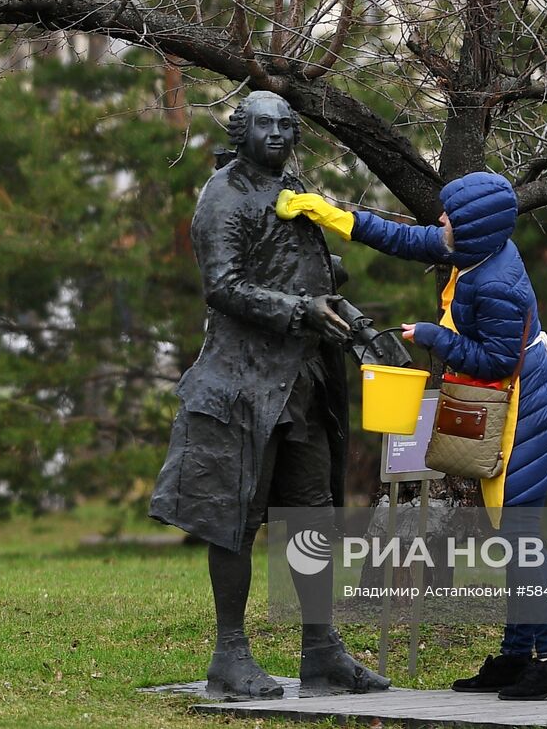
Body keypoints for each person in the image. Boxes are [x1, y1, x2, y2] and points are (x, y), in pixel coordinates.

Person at [277, 170, 547, 701]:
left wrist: (436, 336)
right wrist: (332, 214)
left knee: (522, 538)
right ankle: (515, 658)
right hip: (508, 403)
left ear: (472, 228)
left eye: (449, 217)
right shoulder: (475, 251)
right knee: (513, 537)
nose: (439, 221)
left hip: (526, 414)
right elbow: (405, 238)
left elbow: (494, 362)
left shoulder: (498, 286)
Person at [149, 91, 390, 700]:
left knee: (310, 513)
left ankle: (321, 650)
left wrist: (356, 325)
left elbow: (311, 277)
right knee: (237, 517)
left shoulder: (294, 189)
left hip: (302, 383)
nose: (278, 134)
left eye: (286, 125)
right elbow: (222, 286)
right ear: (241, 131)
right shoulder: (224, 195)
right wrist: (299, 309)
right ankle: (229, 654)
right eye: (265, 125)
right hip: (242, 385)